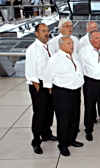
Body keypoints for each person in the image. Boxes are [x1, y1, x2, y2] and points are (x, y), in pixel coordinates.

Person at [44, 36, 84, 157]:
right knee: (64, 120)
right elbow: (47, 79)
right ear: (61, 46)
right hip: (62, 93)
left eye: (72, 43)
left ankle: (71, 139)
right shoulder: (55, 59)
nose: (72, 45)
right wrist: (56, 94)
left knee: (74, 117)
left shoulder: (74, 56)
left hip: (76, 91)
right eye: (68, 43)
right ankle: (62, 144)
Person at [25, 23, 57, 155]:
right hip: (39, 85)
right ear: (36, 34)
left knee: (49, 112)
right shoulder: (32, 49)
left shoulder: (49, 46)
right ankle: (36, 141)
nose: (46, 33)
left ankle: (47, 134)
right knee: (39, 114)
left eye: (47, 30)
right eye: (43, 31)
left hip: (50, 84)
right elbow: (31, 71)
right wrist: (38, 87)